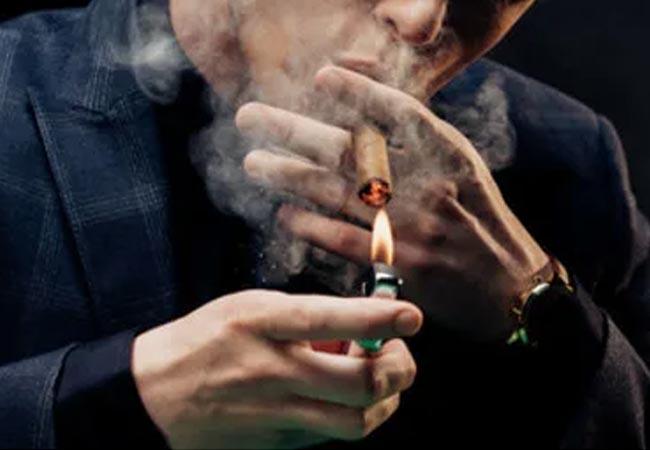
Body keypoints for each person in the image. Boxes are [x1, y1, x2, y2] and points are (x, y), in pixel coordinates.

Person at [0, 0, 648, 448]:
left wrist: (536, 300)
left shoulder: (567, 155)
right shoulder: (11, 91)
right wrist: (116, 396)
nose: (420, 18)